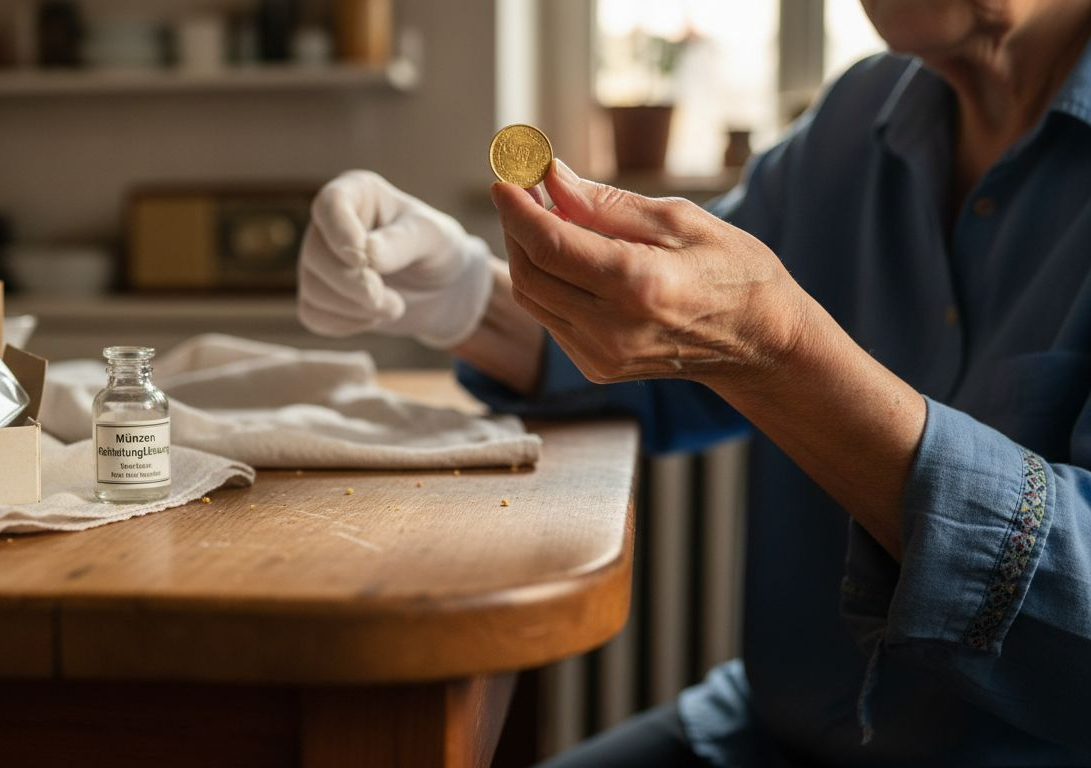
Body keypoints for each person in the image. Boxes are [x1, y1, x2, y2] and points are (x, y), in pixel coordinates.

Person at [296, 0, 1091, 764]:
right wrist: (465, 297)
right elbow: (680, 359)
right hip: (760, 734)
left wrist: (780, 353)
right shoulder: (855, 115)